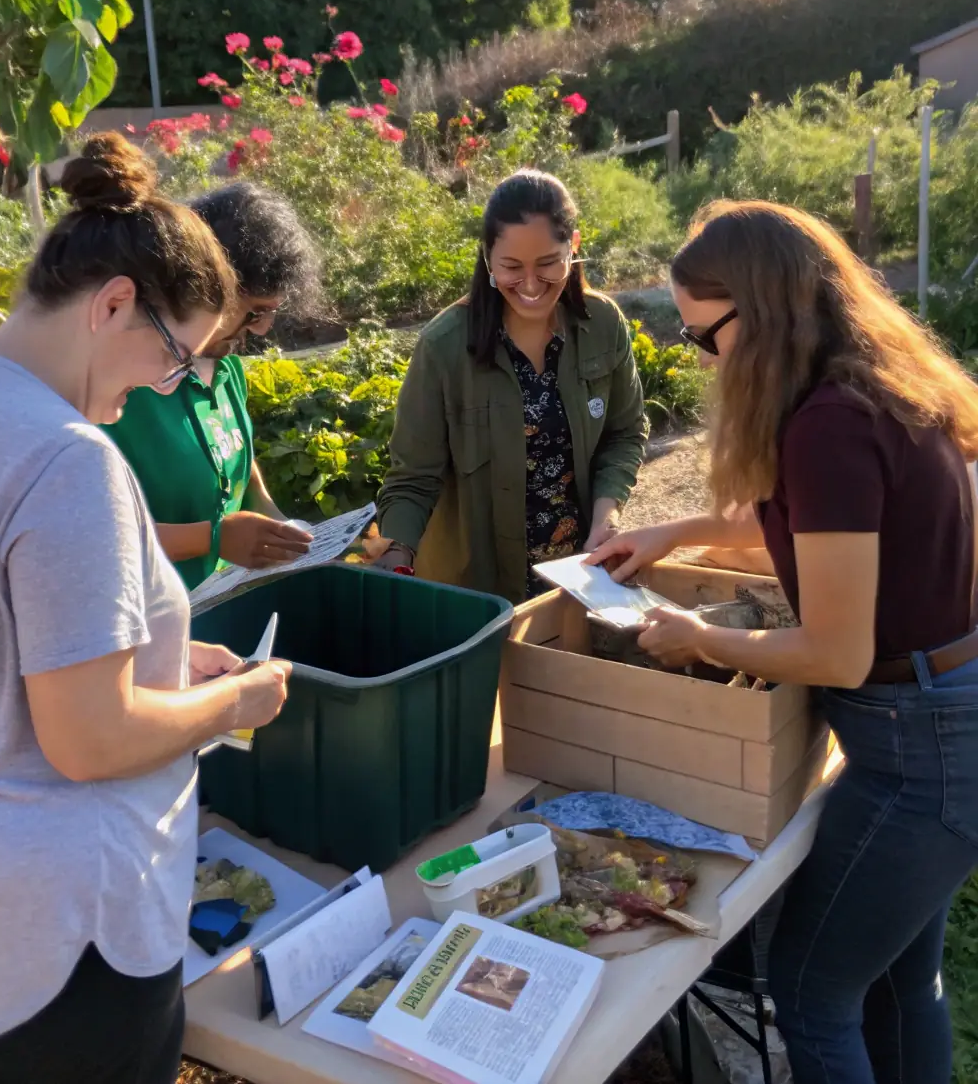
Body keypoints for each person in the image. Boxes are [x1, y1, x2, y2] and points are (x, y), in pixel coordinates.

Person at [590, 199, 978, 1084]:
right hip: (947, 717)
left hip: (918, 752)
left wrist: (700, 639)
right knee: (900, 978)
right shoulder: (873, 388)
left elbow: (835, 652)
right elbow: (823, 542)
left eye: (704, 335)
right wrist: (672, 535)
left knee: (809, 992)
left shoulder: (828, 426)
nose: (704, 357)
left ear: (761, 315)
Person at [0, 134, 292, 1084]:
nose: (170, 383)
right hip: (68, 946)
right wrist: (237, 703)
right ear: (111, 306)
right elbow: (90, 738)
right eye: (177, 357)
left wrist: (165, 662)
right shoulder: (70, 458)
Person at [371, 169, 647, 604]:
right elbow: (413, 478)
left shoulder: (602, 325)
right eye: (512, 268)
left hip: (578, 576)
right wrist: (397, 551)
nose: (532, 286)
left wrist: (607, 517)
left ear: (572, 246)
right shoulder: (444, 347)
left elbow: (624, 433)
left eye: (548, 264)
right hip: (479, 590)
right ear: (487, 258)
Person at [105, 181, 320, 591]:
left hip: (214, 614)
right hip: (147, 621)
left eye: (273, 312)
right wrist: (213, 537)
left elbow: (243, 476)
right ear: (206, 284)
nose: (262, 329)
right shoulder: (127, 390)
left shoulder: (227, 371)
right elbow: (90, 536)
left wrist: (288, 532)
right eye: (255, 312)